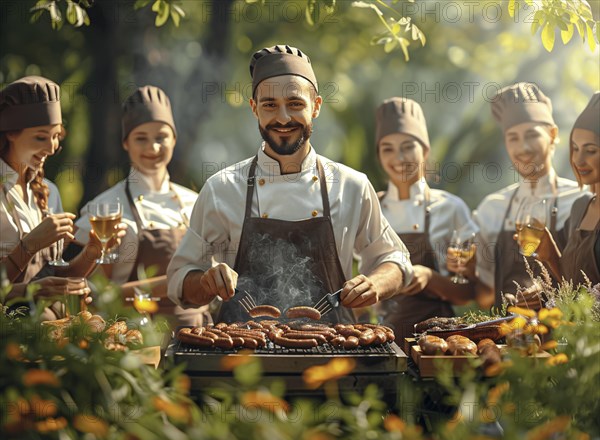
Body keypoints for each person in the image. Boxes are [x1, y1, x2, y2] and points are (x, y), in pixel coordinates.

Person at [167, 44, 413, 323]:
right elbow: (179, 279)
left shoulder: (351, 186)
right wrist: (206, 282)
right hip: (241, 357)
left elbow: (394, 259)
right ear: (254, 109)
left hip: (334, 358)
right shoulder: (221, 189)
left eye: (295, 104)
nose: (283, 118)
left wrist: (376, 284)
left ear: (316, 106)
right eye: (270, 105)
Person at [75, 85, 207, 326]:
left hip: (198, 336)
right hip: (134, 339)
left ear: (174, 139)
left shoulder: (196, 202)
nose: (153, 148)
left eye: (161, 137)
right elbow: (90, 293)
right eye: (141, 138)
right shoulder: (104, 209)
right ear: (125, 143)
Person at [0, 76, 112, 317]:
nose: (51, 148)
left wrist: (93, 251)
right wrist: (29, 245)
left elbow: (53, 278)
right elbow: (32, 289)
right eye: (41, 137)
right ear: (10, 133)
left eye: (56, 136)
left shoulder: (48, 191)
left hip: (48, 325)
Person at [462, 82, 581, 310]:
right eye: (513, 138)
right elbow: (485, 296)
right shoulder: (492, 209)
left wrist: (549, 291)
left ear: (553, 134)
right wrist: (469, 271)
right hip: (505, 339)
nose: (522, 147)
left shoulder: (581, 201)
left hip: (566, 340)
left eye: (531, 135)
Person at [374, 97, 478, 342]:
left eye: (408, 146)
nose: (399, 158)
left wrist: (430, 278)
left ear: (426, 150)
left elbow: (467, 293)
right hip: (382, 339)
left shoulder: (450, 208)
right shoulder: (371, 208)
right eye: (387, 148)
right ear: (379, 155)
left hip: (439, 341)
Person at [535, 92, 599, 285]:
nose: (578, 160)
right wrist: (550, 253)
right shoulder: (580, 207)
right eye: (575, 148)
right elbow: (570, 285)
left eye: (591, 150)